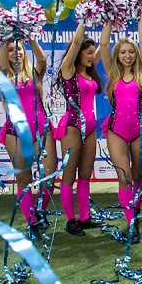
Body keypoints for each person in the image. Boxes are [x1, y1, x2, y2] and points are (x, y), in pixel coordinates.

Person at [98, 17, 142, 243]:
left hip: (140, 130)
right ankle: (131, 225)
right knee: (124, 178)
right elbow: (103, 45)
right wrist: (109, 18)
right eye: (123, 52)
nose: (128, 56)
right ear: (117, 55)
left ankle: (136, 213)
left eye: (131, 52)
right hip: (116, 131)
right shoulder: (112, 72)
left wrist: (140, 17)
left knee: (138, 175)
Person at [0, 38, 57, 236]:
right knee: (24, 180)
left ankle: (39, 211)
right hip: (15, 133)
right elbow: (1, 65)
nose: (16, 53)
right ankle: (32, 223)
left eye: (19, 49)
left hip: (41, 130)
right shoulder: (4, 76)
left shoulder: (34, 74)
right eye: (11, 50)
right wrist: (3, 37)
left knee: (50, 176)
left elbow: (42, 59)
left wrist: (30, 35)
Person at [55, 22, 104, 236]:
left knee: (85, 175)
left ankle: (84, 218)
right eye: (88, 52)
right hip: (72, 126)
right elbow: (75, 42)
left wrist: (110, 20)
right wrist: (85, 18)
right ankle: (70, 220)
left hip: (91, 127)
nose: (92, 56)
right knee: (69, 176)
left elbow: (103, 44)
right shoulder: (69, 70)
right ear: (79, 53)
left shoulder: (89, 72)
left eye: (93, 53)